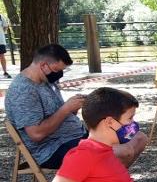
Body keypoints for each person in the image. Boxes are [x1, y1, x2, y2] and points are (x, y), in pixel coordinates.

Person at [6, 44, 147, 170]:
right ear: (43, 65)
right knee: (124, 151)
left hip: (78, 137)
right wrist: (66, 109)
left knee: (139, 138)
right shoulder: (23, 91)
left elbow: (57, 116)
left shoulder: (46, 81)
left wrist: (73, 109)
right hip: (53, 148)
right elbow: (36, 134)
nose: (58, 75)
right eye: (57, 70)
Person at [0, 11, 12, 78]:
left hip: (1, 40)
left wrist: (2, 33)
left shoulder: (1, 17)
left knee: (2, 56)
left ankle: (5, 72)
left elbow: (5, 27)